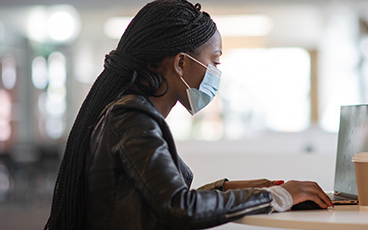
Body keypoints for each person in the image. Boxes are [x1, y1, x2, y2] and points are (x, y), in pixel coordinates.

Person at [44, 0, 332, 229]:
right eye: (214, 61)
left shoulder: (133, 113)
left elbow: (161, 203)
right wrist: (278, 196)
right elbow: (180, 208)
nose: (216, 73)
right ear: (181, 63)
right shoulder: (131, 117)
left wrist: (227, 189)